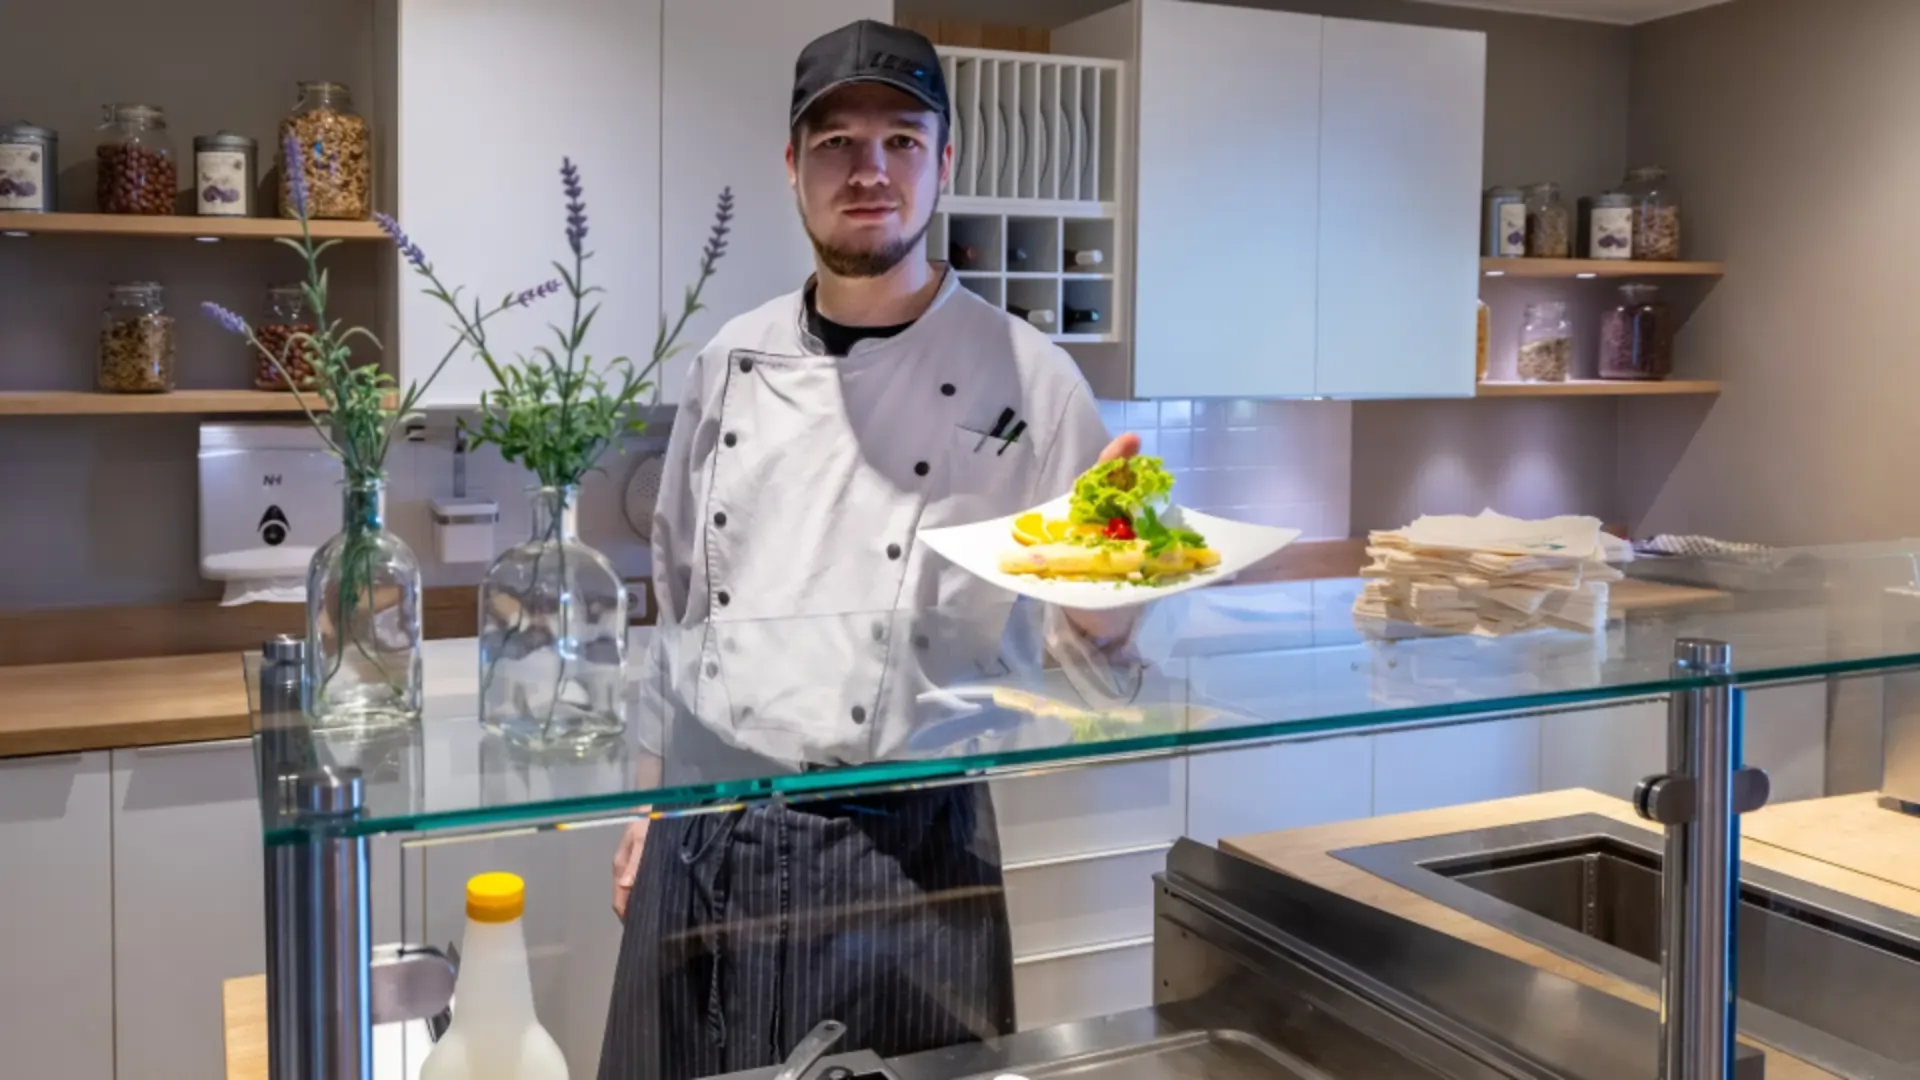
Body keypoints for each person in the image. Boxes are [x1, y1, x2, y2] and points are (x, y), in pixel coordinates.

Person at [597, 21, 1136, 1080]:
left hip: (907, 853)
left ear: (945, 164)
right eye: (837, 143)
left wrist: (1108, 616)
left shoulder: (1031, 381)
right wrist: (647, 806)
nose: (870, 170)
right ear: (793, 170)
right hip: (705, 831)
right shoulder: (727, 360)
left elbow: (1092, 676)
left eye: (900, 139)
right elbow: (679, 607)